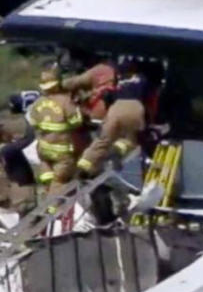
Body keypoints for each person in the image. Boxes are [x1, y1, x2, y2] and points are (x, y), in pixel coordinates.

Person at [26, 66, 84, 214]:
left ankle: (47, 189)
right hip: (62, 150)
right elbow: (76, 121)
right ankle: (52, 209)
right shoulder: (65, 101)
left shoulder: (38, 103)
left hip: (44, 148)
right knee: (60, 180)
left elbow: (32, 122)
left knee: (48, 175)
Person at [76, 61, 147, 178]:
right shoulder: (142, 79)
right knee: (130, 139)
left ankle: (85, 164)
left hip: (116, 109)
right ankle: (117, 150)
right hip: (135, 107)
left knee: (103, 140)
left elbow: (107, 96)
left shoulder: (117, 83)